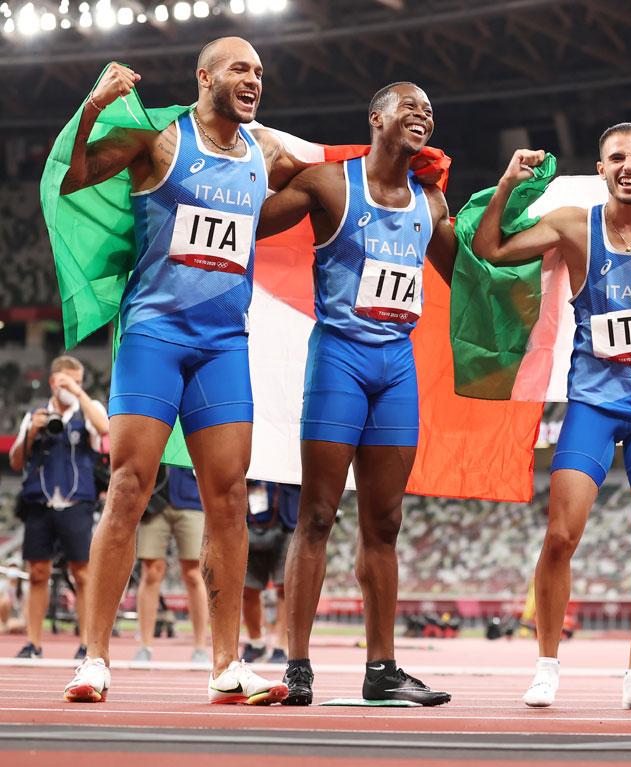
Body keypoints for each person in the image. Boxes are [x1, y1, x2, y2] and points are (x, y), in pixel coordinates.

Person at [58, 37, 311, 704]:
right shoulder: (162, 140)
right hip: (156, 335)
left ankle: (227, 663)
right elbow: (76, 175)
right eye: (239, 68)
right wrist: (92, 110)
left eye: (259, 70)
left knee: (229, 497)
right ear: (205, 77)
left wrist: (401, 168)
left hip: (225, 344)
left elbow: (329, 176)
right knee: (129, 484)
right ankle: (95, 658)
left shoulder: (268, 151)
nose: (253, 79)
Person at [472, 123, 631, 710]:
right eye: (617, 158)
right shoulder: (577, 227)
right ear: (601, 168)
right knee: (561, 535)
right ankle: (548, 666)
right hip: (594, 405)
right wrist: (506, 183)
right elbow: (490, 249)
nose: (628, 165)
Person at [257, 82, 456, 706]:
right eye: (409, 106)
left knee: (387, 523)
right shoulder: (330, 185)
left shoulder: (430, 203)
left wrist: (505, 199)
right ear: (377, 118)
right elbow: (251, 223)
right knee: (316, 515)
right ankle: (297, 666)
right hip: (339, 360)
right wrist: (254, 161)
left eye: (429, 109)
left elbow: (474, 271)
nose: (422, 114)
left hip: (397, 365)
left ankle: (382, 670)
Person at [9, 355, 108, 660]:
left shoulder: (89, 410)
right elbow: (15, 461)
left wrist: (79, 394)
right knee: (37, 572)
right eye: (68, 382)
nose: (75, 387)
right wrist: (32, 432)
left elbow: (104, 428)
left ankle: (86, 643)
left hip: (77, 502)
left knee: (82, 574)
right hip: (40, 502)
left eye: (79, 382)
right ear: (53, 382)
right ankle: (33, 643)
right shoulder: (34, 415)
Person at [133, 467, 210, 664]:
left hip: (192, 498)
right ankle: (145, 646)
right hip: (154, 498)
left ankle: (200, 648)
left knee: (194, 573)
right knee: (151, 572)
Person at [241, 482, 299, 665]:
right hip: (250, 519)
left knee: (285, 587)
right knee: (248, 588)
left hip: (289, 518)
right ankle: (256, 643)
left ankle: (281, 646)